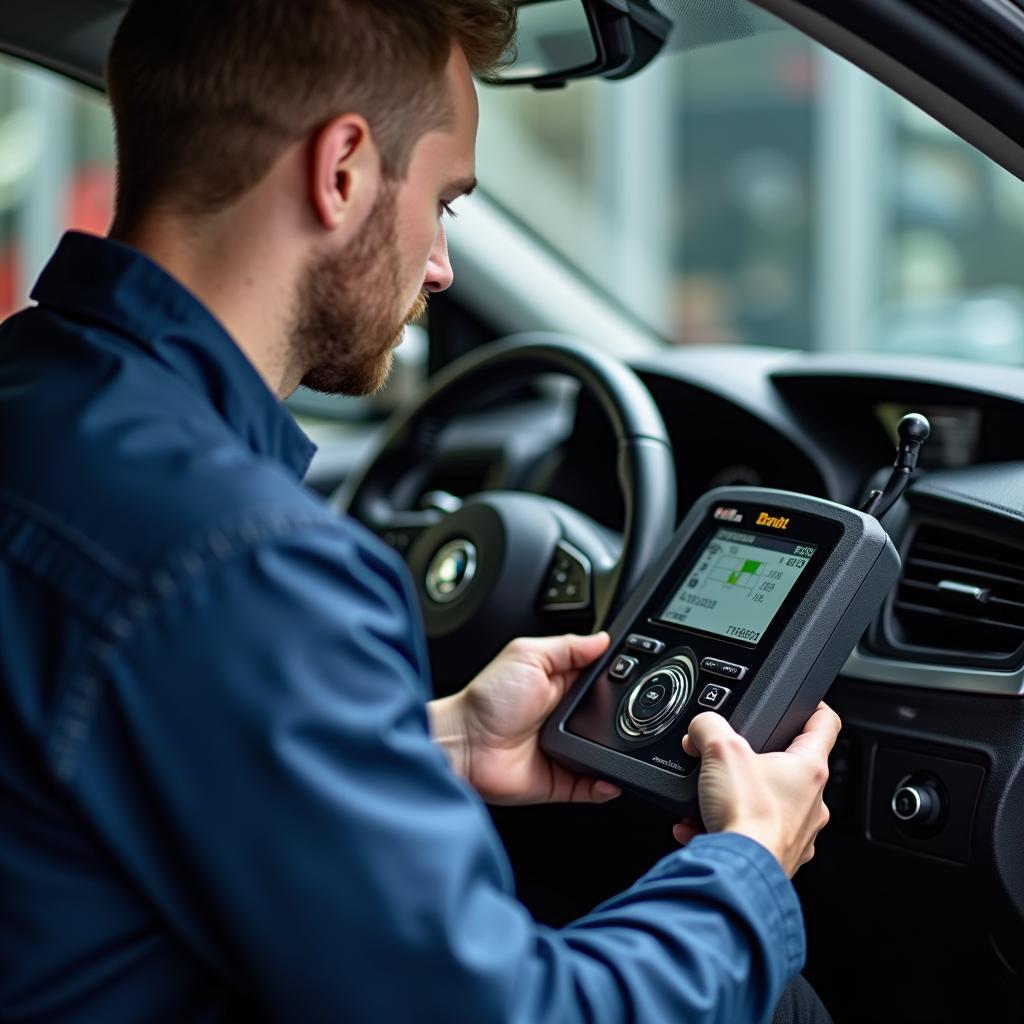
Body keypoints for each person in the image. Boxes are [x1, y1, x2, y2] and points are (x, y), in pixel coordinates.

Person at [0, 2, 839, 1022]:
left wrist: (430, 741)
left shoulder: (35, 398)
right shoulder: (247, 561)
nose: (440, 264)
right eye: (443, 200)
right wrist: (748, 863)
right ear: (343, 168)